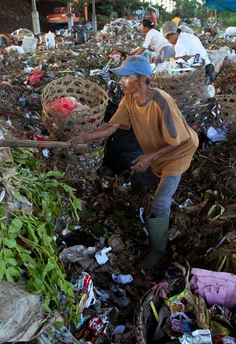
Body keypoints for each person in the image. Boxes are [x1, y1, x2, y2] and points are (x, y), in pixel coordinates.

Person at [70, 56, 199, 270]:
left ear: (142, 79)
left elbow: (178, 141)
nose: (121, 81)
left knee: (161, 202)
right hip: (156, 152)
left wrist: (150, 156)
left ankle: (159, 251)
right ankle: (139, 198)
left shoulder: (161, 101)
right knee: (139, 175)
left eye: (126, 76)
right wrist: (83, 137)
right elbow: (111, 127)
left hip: (178, 152)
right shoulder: (128, 99)